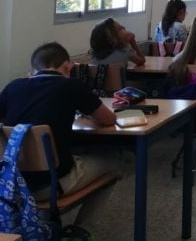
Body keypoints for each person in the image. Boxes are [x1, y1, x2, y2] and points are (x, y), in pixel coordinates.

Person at [0, 42, 118, 228]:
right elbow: (109, 119)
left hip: (12, 183)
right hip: (53, 183)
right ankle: (82, 230)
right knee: (116, 160)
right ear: (67, 66)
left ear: (33, 69)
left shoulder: (12, 87)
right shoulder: (71, 86)